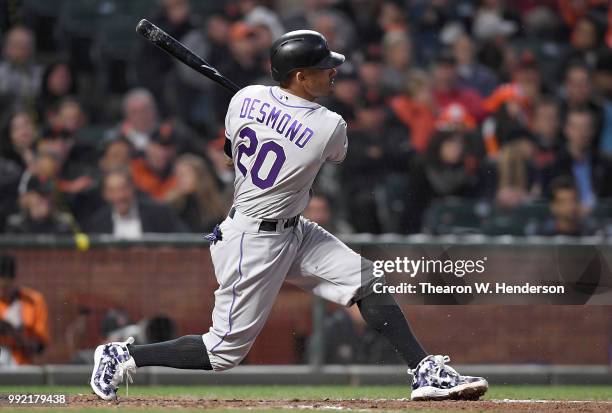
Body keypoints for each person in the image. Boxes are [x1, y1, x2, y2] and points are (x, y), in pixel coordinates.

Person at [90, 30, 488, 402]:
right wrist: (285, 124)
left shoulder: (243, 98)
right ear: (300, 76)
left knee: (366, 280)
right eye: (323, 68)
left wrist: (272, 121)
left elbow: (232, 153)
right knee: (220, 353)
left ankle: (424, 371)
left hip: (294, 229)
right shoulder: (329, 124)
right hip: (253, 241)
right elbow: (333, 155)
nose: (333, 73)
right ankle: (121, 354)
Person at [86, 169, 187, 238]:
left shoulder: (160, 213)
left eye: (123, 188)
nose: (119, 196)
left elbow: (189, 238)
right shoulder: (98, 222)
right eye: (112, 191)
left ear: (132, 188)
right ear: (105, 194)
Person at [0, 254, 50, 365]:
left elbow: (40, 346)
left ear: (14, 280)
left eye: (5, 286)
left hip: (21, 364)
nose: (2, 291)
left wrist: (18, 337)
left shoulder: (32, 301)